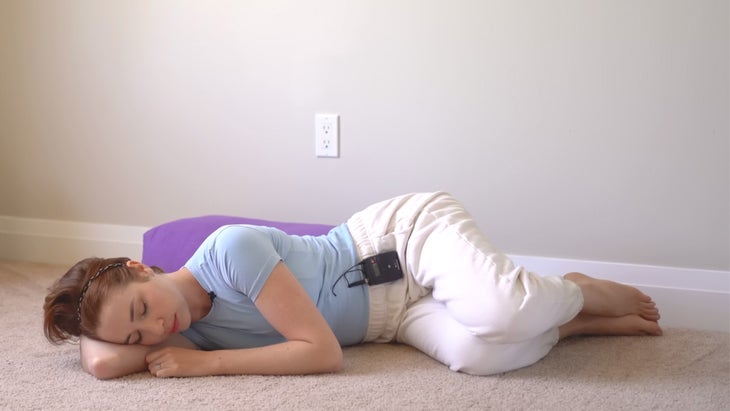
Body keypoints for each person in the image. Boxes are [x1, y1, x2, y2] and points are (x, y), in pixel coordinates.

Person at [43, 192, 662, 379]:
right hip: (389, 319)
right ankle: (574, 322)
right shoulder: (179, 327)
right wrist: (89, 322)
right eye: (136, 333)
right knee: (479, 354)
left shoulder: (229, 252)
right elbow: (99, 365)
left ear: (142, 266)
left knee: (501, 306)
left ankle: (580, 291)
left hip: (399, 241)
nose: (155, 331)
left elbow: (322, 354)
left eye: (142, 308)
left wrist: (205, 368)